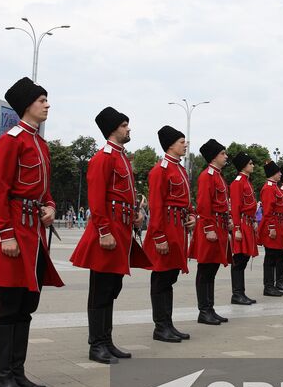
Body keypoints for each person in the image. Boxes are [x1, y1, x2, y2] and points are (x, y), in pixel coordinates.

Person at [0, 77, 63, 387]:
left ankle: (17, 371)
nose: (47, 104)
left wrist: (51, 206)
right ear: (27, 104)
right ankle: (1, 377)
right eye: (42, 99)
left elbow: (44, 190)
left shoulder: (39, 143)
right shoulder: (10, 141)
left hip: (35, 235)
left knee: (28, 304)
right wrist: (5, 234)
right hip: (14, 233)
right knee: (9, 305)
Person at [70, 107, 151, 363]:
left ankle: (107, 340)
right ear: (113, 128)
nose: (129, 128)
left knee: (112, 287)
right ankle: (97, 345)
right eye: (125, 124)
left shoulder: (122, 157)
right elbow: (96, 198)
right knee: (101, 289)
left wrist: (136, 215)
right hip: (108, 232)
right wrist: (104, 231)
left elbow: (123, 196)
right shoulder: (103, 157)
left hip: (122, 229)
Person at [143, 126, 196, 342]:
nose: (185, 144)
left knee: (170, 277)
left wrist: (192, 215)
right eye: (182, 141)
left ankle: (168, 323)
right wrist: (158, 236)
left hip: (178, 229)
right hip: (166, 228)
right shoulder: (160, 170)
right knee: (161, 277)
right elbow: (156, 206)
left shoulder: (180, 169)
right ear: (171, 144)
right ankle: (160, 326)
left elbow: (186, 200)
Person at [189, 139, 232, 325]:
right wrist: (208, 228)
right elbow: (204, 204)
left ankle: (210, 308)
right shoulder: (207, 176)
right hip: (211, 226)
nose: (226, 156)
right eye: (223, 153)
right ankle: (203, 310)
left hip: (219, 225)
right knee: (205, 269)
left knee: (212, 269)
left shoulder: (218, 175)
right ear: (214, 157)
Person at [229, 150, 258, 305]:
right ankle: (237, 294)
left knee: (244, 258)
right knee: (239, 259)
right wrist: (237, 229)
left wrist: (253, 219)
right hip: (241, 223)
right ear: (243, 166)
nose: (253, 165)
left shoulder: (247, 181)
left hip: (248, 222)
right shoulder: (238, 183)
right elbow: (235, 207)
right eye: (250, 163)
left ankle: (241, 293)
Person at [258, 161, 283, 295]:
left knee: (275, 256)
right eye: (278, 172)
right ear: (273, 173)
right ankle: (268, 286)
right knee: (270, 257)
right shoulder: (269, 188)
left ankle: (272, 284)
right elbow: (268, 210)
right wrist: (271, 227)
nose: (280, 174)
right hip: (273, 223)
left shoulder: (274, 187)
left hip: (278, 222)